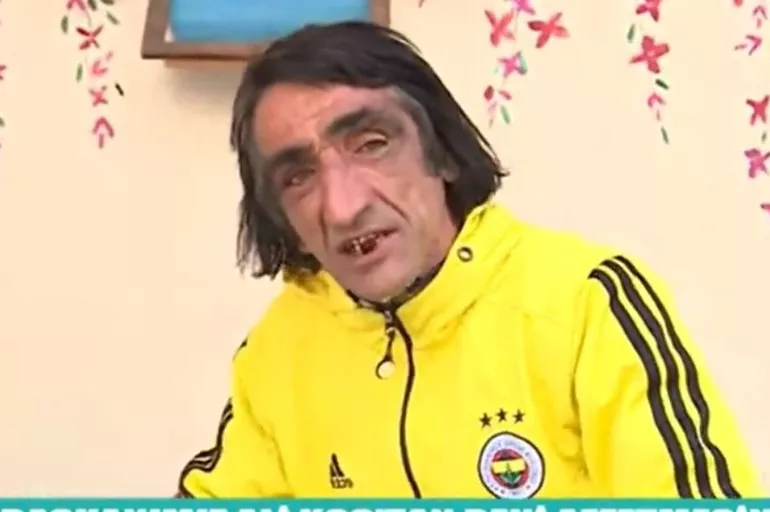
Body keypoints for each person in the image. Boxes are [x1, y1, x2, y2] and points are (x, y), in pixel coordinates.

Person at [174, 20, 761, 498]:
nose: (343, 206)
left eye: (372, 144)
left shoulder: (590, 302)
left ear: (444, 154)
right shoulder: (276, 352)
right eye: (298, 177)